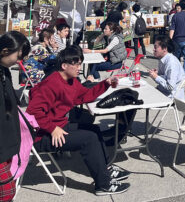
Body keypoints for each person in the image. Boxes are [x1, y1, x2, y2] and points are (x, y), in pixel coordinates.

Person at [27, 46, 131, 195]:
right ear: (64, 66)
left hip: (58, 126)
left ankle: (105, 168)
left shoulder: (71, 81)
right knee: (89, 139)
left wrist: (106, 83)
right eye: (76, 64)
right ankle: (103, 185)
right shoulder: (52, 83)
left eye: (80, 63)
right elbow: (33, 112)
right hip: (41, 136)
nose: (79, 68)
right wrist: (52, 129)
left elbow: (85, 95)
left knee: (94, 129)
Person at [0, 31, 30, 201]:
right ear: (5, 51)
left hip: (8, 142)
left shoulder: (5, 70)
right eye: (18, 57)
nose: (19, 62)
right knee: (6, 192)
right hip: (2, 144)